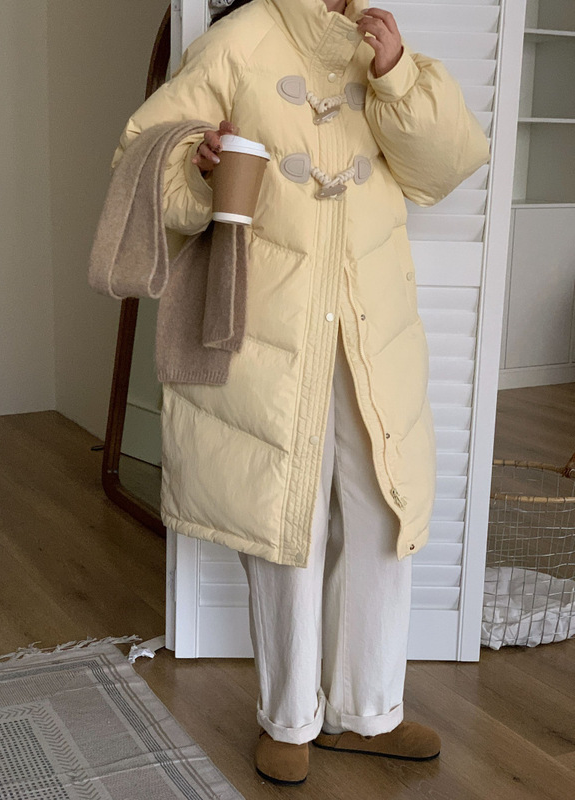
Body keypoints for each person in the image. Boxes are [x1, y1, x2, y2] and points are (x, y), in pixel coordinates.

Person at [111, 0, 491, 785]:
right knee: (285, 515)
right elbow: (142, 156)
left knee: (383, 508)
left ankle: (368, 710)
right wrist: (196, 162)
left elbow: (444, 168)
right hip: (271, 326)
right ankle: (288, 717)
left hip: (371, 327)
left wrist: (395, 76)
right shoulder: (239, 40)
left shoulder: (377, 45)